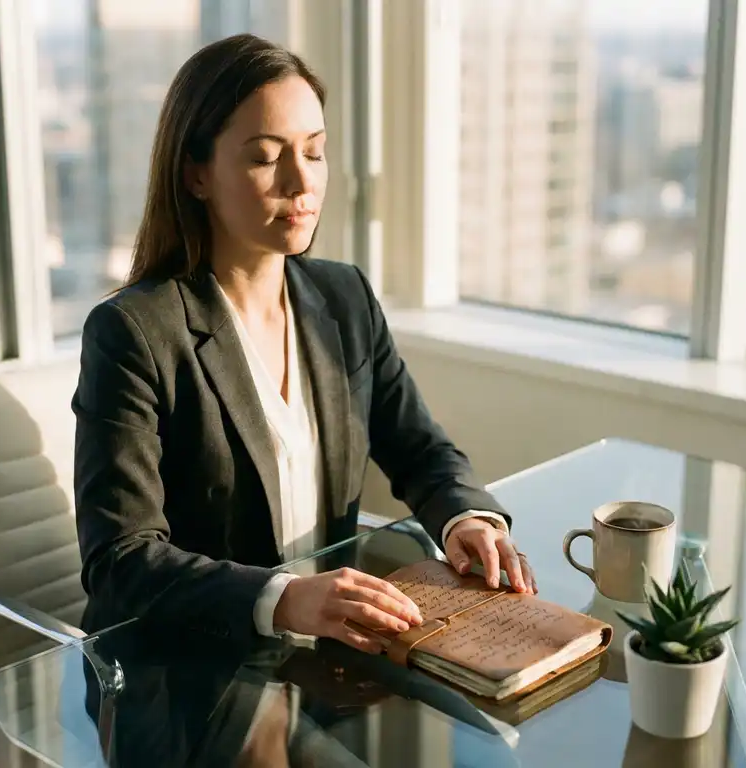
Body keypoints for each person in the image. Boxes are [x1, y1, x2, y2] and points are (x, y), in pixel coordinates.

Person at [72, 33, 537, 653]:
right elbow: (119, 560)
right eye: (266, 157)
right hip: (191, 671)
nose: (301, 183)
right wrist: (283, 597)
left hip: (326, 658)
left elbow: (420, 448)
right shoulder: (133, 332)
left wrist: (465, 516)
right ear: (197, 174)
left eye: (314, 153)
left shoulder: (343, 298)